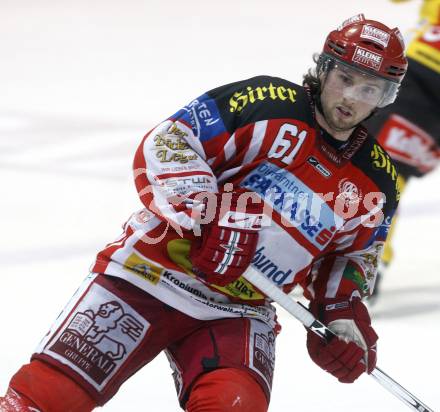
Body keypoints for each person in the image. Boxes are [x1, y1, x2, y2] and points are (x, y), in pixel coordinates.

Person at [0, 14, 407, 412]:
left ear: (386, 96)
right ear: (324, 70)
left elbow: (352, 256)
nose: (352, 97)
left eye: (370, 89)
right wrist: (205, 211)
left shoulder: (378, 181)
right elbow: (171, 139)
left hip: (239, 310)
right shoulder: (263, 102)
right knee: (46, 398)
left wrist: (340, 316)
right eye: (346, 79)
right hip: (148, 275)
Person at [364, 0, 440, 301]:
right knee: (384, 167)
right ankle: (369, 258)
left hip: (424, 71)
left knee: (381, 167)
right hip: (422, 71)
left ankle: (368, 258)